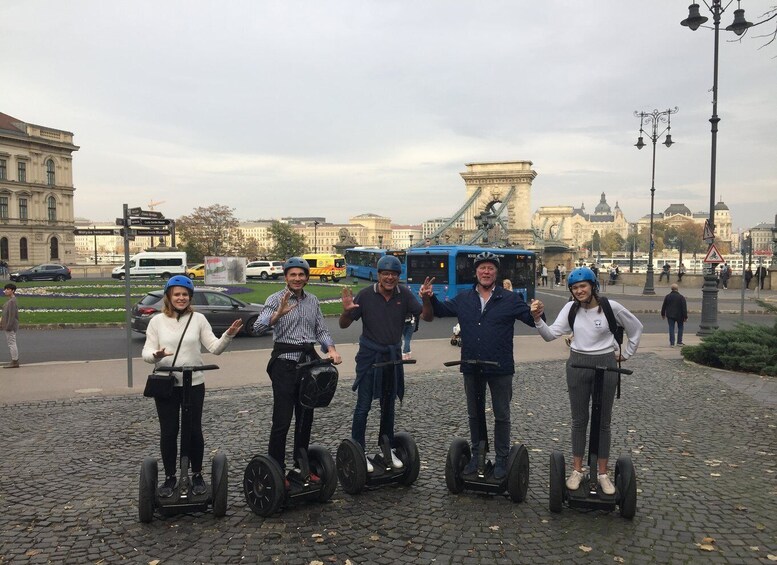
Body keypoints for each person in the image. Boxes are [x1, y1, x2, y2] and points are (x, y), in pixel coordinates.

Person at [419, 251, 540, 480]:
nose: (486, 272)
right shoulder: (465, 298)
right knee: (475, 414)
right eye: (482, 268)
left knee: (502, 415)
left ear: (496, 272)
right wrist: (428, 298)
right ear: (476, 272)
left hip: (500, 366)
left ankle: (502, 458)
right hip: (471, 365)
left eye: (490, 268)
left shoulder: (510, 299)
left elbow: (531, 320)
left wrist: (536, 312)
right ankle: (478, 455)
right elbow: (440, 311)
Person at [530, 267, 643, 495]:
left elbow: (636, 327)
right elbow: (551, 335)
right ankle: (577, 469)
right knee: (579, 420)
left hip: (606, 365)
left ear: (593, 286)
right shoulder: (570, 309)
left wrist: (627, 353)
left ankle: (602, 473)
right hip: (578, 365)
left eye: (583, 286)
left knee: (603, 421)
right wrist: (537, 319)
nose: (579, 291)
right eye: (574, 288)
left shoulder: (611, 308)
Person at [142, 275, 243, 498]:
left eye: (185, 294)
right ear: (168, 296)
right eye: (177, 294)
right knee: (169, 432)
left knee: (194, 430)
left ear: (190, 297)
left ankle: (196, 474)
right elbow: (146, 352)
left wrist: (229, 335)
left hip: (194, 383)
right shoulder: (157, 322)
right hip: (167, 384)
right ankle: (170, 477)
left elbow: (214, 348)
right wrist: (155, 355)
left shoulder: (198, 319)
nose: (181, 298)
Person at [254, 257, 342, 482]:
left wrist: (331, 349)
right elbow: (258, 326)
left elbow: (321, 330)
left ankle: (301, 466)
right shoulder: (276, 299)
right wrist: (278, 314)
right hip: (284, 363)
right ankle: (277, 469)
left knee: (305, 417)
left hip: (308, 363)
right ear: (285, 277)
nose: (297, 278)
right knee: (282, 419)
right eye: (293, 275)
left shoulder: (312, 301)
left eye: (301, 274)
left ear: (307, 276)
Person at [340, 255, 428, 472]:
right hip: (370, 357)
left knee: (388, 407)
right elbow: (343, 325)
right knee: (363, 406)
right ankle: (358, 451)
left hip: (392, 357)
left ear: (398, 276)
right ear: (378, 275)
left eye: (394, 274)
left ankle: (385, 447)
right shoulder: (366, 295)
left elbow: (427, 317)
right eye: (385, 273)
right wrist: (347, 310)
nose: (390, 278)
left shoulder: (404, 294)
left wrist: (426, 299)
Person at [1, 283, 20, 369]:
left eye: (8, 289)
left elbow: (12, 316)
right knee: (11, 343)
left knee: (11, 343)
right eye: (5, 289)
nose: (6, 291)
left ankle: (15, 361)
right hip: (8, 325)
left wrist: (8, 326)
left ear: (12, 291)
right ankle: (14, 360)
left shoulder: (12, 301)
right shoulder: (10, 300)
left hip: (10, 326)